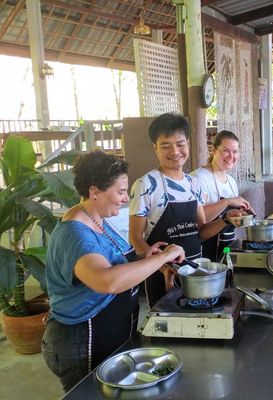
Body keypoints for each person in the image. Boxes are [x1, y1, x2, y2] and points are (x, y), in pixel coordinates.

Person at [42, 151, 185, 392]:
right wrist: (165, 256)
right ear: (94, 191)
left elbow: (113, 263)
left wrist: (146, 259)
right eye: (120, 192)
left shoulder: (98, 219)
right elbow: (106, 281)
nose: (124, 199)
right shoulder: (75, 234)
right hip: (82, 342)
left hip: (110, 335)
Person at [128, 113, 226, 307]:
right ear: (155, 148)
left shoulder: (194, 184)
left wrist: (227, 220)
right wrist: (163, 266)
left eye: (180, 143)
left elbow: (201, 231)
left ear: (188, 144)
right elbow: (136, 238)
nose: (175, 151)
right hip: (162, 275)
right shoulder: (145, 184)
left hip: (195, 271)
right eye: (166, 146)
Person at [191, 130, 253, 262]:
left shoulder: (230, 181)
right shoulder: (199, 178)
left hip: (225, 247)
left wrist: (240, 215)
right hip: (203, 252)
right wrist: (227, 202)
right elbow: (197, 220)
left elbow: (228, 218)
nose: (231, 156)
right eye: (226, 150)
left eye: (235, 151)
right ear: (213, 150)